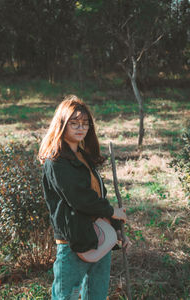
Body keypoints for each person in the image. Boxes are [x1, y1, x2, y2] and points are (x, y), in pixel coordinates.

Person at [39, 95, 128, 300]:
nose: (81, 128)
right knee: (66, 297)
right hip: (73, 242)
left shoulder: (83, 156)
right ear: (62, 124)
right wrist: (112, 211)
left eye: (85, 123)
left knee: (95, 297)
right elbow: (80, 199)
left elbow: (98, 200)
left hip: (99, 239)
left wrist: (115, 230)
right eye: (74, 123)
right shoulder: (56, 161)